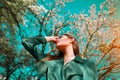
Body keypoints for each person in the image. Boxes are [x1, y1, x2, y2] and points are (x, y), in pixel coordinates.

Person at [22, 34, 98, 80]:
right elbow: (26, 42)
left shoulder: (87, 64)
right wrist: (49, 38)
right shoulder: (50, 62)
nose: (57, 39)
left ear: (71, 39)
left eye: (60, 37)